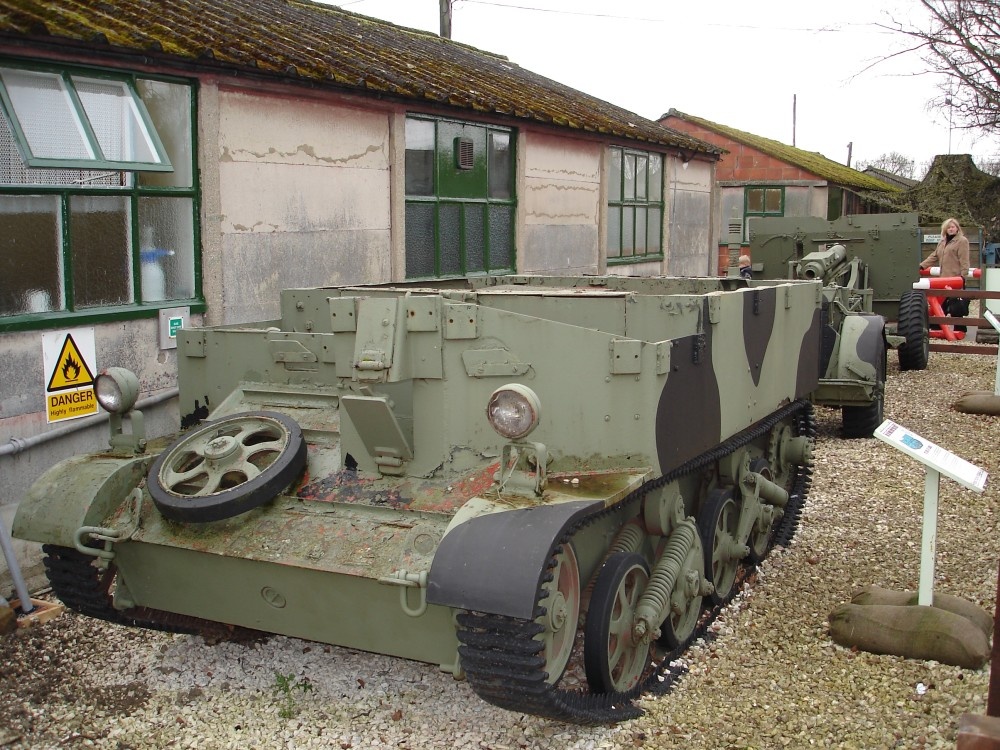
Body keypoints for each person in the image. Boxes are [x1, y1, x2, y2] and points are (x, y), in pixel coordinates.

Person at [920, 217, 971, 329]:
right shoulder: (942, 242)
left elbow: (964, 261)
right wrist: (921, 266)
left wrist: (963, 278)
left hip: (955, 279)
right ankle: (937, 327)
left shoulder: (962, 241)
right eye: (948, 227)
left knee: (956, 306)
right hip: (943, 279)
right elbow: (933, 256)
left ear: (957, 228)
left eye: (953, 227)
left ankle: (959, 329)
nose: (950, 229)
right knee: (940, 303)